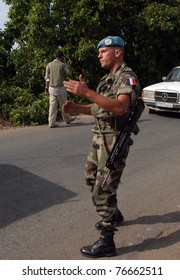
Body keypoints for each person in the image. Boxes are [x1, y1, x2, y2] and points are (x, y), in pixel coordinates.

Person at [62, 36, 141, 258]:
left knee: (103, 188)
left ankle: (107, 240)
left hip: (114, 140)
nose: (99, 55)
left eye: (103, 51)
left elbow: (119, 108)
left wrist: (87, 93)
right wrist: (76, 106)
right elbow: (100, 108)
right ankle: (113, 214)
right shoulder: (106, 80)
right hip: (99, 138)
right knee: (90, 177)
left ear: (118, 52)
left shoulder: (127, 77)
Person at [45, 51, 75, 128]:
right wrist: (65, 63)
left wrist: (46, 86)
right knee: (63, 105)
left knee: (52, 106)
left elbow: (47, 78)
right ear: (62, 57)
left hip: (51, 88)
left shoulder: (49, 65)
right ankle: (67, 119)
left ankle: (51, 123)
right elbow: (68, 73)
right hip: (61, 88)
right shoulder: (62, 65)